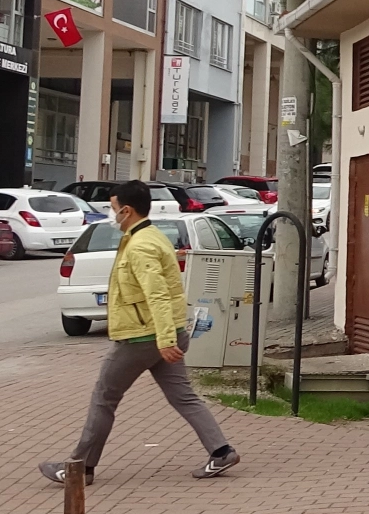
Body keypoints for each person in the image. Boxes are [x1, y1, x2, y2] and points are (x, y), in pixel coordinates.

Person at [39, 181, 239, 484]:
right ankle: (221, 451)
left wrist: (164, 340)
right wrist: (168, 337)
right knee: (183, 397)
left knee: (104, 398)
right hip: (163, 334)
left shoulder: (141, 245)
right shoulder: (149, 236)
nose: (111, 214)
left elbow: (157, 294)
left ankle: (80, 468)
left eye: (113, 208)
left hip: (143, 338)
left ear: (127, 211)